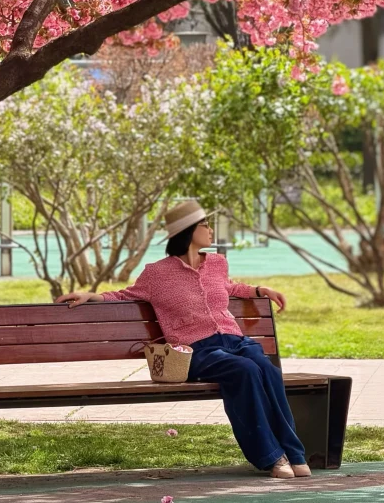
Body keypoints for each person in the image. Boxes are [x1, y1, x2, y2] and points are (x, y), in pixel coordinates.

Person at [60, 198, 309, 479]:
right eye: (205, 224)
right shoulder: (157, 273)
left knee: (267, 369)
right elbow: (124, 294)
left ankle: (295, 453)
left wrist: (260, 289)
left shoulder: (217, 263)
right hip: (196, 351)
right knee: (245, 371)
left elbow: (228, 286)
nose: (211, 229)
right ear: (189, 231)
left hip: (235, 340)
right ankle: (271, 457)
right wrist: (92, 296)